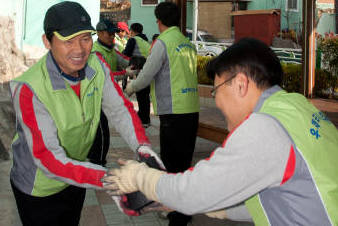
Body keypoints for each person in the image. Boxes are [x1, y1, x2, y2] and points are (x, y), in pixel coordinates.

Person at [103, 38, 338, 225]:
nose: (216, 102)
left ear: (240, 84)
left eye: (216, 91)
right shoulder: (297, 107)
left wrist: (138, 177)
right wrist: (217, 209)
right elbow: (284, 196)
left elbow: (194, 190)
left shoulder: (265, 126)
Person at [9, 2, 159, 225]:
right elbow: (49, 159)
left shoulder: (96, 65)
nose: (79, 50)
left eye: (85, 38)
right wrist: (110, 180)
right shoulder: (29, 89)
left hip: (75, 174)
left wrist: (143, 147)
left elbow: (119, 108)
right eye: (68, 41)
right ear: (47, 41)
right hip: (39, 187)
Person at [124, 2, 200, 225]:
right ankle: (184, 210)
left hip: (173, 112)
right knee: (184, 165)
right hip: (191, 109)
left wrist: (131, 87)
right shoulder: (187, 44)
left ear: (159, 20)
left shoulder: (163, 43)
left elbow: (147, 75)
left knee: (172, 166)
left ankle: (178, 216)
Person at [88, 19, 131, 166]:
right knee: (101, 133)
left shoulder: (110, 49)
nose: (113, 36)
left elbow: (124, 60)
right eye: (109, 33)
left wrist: (136, 62)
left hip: (104, 97)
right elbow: (106, 75)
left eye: (114, 33)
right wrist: (126, 72)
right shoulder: (95, 52)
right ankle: (97, 163)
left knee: (98, 132)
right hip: (94, 98)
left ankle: (96, 160)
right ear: (99, 33)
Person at [123, 23, 151, 128]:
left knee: (141, 95)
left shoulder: (133, 40)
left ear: (132, 30)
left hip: (139, 70)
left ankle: (143, 119)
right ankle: (145, 117)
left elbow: (126, 54)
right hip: (148, 69)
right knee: (145, 96)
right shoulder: (146, 41)